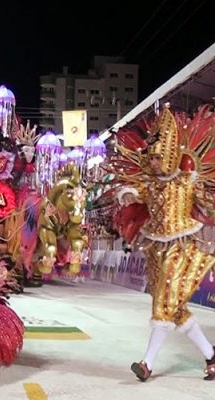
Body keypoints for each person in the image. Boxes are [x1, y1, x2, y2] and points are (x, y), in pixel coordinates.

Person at [114, 105, 215, 382]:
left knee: (163, 304)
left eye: (160, 157)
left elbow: (207, 202)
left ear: (171, 155)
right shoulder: (151, 184)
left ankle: (147, 363)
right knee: (175, 309)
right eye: (153, 157)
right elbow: (135, 192)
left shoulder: (186, 182)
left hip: (181, 247)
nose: (156, 162)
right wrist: (128, 194)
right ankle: (210, 354)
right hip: (155, 247)